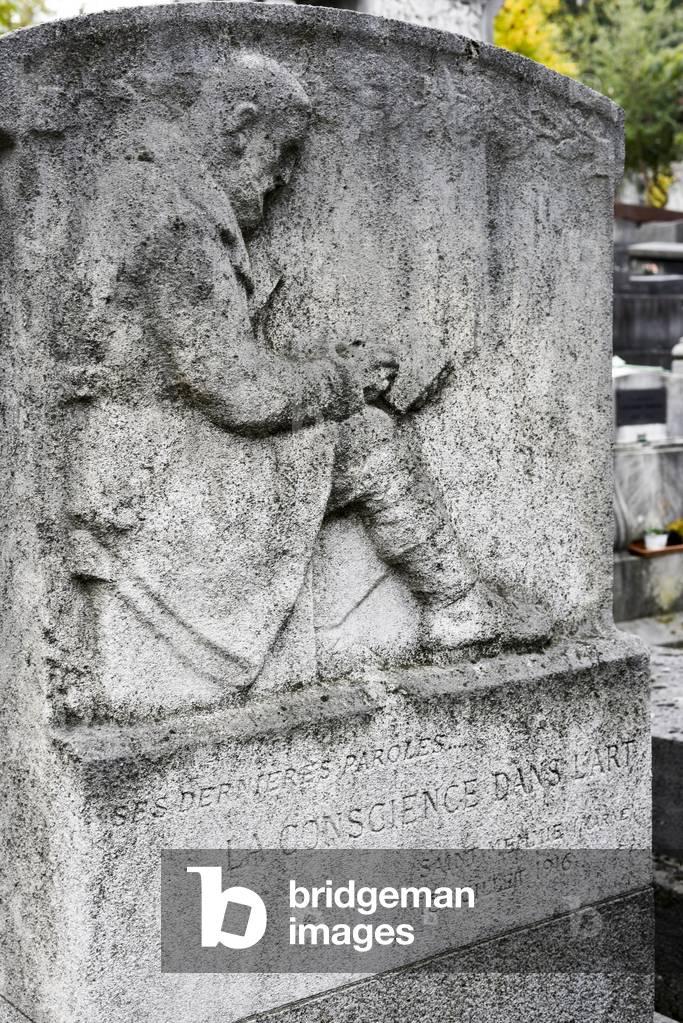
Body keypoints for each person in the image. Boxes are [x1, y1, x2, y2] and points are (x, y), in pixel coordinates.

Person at [67, 52, 547, 719]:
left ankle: (456, 605)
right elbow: (236, 390)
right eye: (281, 151)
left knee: (354, 425)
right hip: (154, 478)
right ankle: (459, 609)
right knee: (367, 437)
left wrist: (332, 371)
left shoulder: (149, 193)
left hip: (148, 452)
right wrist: (341, 381)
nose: (284, 175)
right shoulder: (175, 219)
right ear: (239, 126)